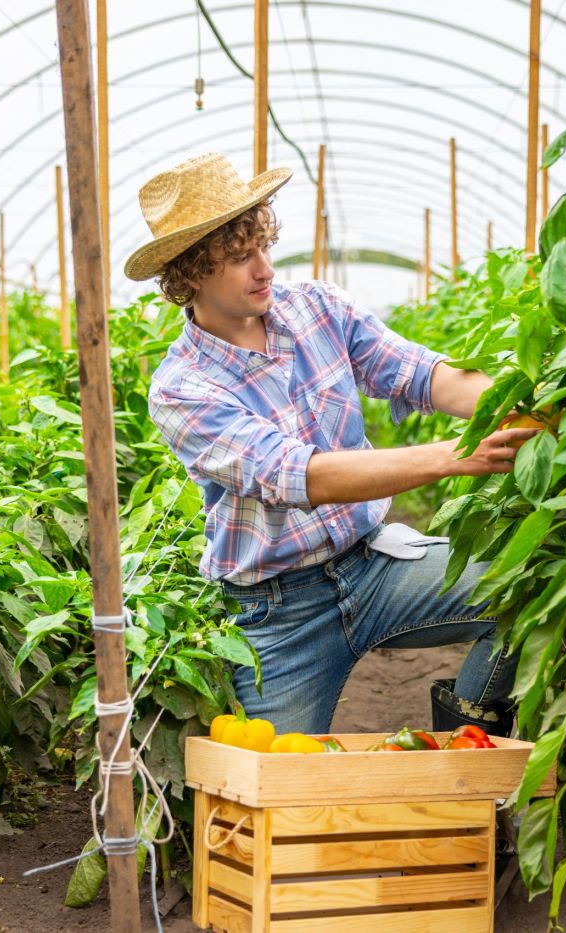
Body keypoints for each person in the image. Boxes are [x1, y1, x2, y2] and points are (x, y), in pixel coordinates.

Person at [126, 152, 539, 737]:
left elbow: (423, 375)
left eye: (264, 246)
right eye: (241, 259)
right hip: (278, 613)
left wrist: (530, 403)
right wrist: (456, 456)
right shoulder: (182, 387)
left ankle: (471, 761)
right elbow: (299, 476)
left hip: (373, 565)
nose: (265, 268)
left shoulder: (317, 309)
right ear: (190, 274)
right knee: (277, 789)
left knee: (533, 586)